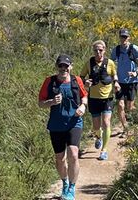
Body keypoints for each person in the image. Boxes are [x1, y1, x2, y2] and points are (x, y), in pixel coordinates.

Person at [37, 55, 87, 200]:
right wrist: (52, 101)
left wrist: (83, 106)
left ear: (71, 66)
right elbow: (40, 103)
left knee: (73, 154)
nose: (63, 69)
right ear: (57, 67)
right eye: (61, 66)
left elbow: (84, 96)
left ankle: (72, 187)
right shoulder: (49, 81)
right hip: (56, 125)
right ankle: (64, 182)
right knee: (60, 158)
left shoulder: (76, 80)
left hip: (74, 122)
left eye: (66, 66)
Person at [81, 40, 117, 160]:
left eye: (100, 50)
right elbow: (81, 77)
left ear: (104, 50)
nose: (98, 52)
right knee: (96, 126)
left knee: (106, 122)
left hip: (107, 98)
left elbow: (114, 74)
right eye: (96, 50)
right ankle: (98, 137)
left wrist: (116, 83)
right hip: (93, 98)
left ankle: (104, 150)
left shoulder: (110, 63)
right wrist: (85, 82)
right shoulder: (89, 63)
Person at [111, 29, 138, 137]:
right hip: (119, 82)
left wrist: (136, 72)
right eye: (122, 37)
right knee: (120, 105)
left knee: (130, 107)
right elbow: (111, 63)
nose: (123, 39)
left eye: (125, 37)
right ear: (119, 37)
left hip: (132, 81)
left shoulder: (133, 48)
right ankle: (126, 128)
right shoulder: (116, 50)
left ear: (128, 37)